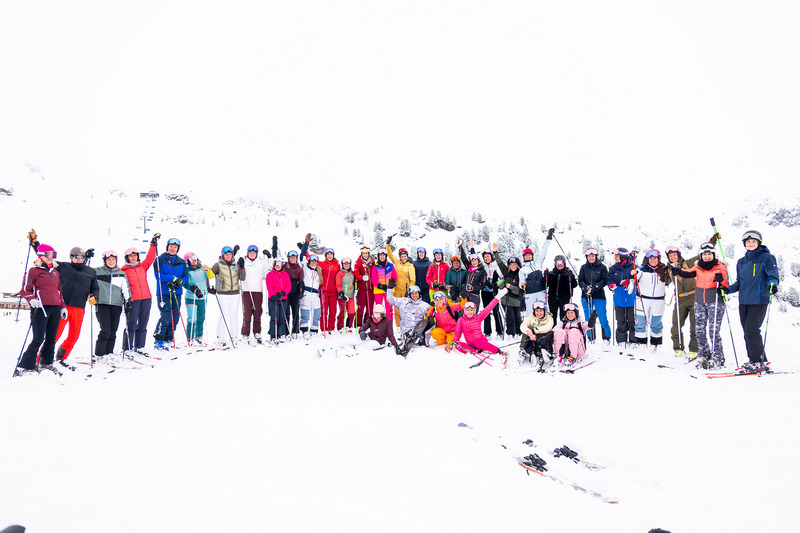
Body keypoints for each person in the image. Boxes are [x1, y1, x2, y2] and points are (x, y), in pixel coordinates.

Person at [725, 230, 780, 373]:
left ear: (759, 243)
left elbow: (772, 275)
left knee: (752, 329)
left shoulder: (767, 258)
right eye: (748, 242)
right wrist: (727, 290)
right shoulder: (741, 261)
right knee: (748, 331)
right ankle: (758, 360)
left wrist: (772, 284)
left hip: (759, 299)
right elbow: (739, 283)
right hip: (744, 300)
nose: (751, 244)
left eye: (754, 241)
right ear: (745, 244)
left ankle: (757, 361)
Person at [671, 243, 729, 369]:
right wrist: (679, 271)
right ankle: (704, 354)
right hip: (699, 301)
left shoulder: (720, 266)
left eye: (709, 254)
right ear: (701, 255)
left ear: (713, 255)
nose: (707, 256)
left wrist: (721, 281)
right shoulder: (698, 266)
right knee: (700, 330)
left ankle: (718, 357)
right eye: (704, 254)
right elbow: (689, 273)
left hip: (715, 301)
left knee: (713, 331)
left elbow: (726, 284)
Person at [15, 243, 68, 375]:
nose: (51, 257)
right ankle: (26, 365)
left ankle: (46, 363)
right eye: (48, 254)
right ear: (41, 256)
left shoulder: (55, 272)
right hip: (40, 308)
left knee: (51, 338)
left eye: (53, 254)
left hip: (55, 308)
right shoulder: (33, 271)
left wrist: (62, 307)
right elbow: (24, 290)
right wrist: (32, 299)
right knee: (38, 338)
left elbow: (59, 292)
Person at [52, 244, 98, 365]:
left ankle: (61, 358)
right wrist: (36, 244)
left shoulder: (90, 272)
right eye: (76, 256)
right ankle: (42, 359)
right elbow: (47, 258)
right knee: (55, 335)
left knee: (74, 336)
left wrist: (95, 296)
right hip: (63, 307)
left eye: (82, 256)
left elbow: (95, 288)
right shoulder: (63, 266)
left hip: (79, 308)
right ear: (71, 257)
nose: (79, 259)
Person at [121, 233, 158, 354]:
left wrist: (153, 244)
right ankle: (127, 348)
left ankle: (139, 346)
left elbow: (151, 257)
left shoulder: (142, 266)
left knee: (143, 324)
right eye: (131, 256)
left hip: (146, 299)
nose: (133, 258)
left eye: (135, 255)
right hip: (133, 300)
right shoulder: (123, 270)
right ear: (127, 258)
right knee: (131, 324)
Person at [451, 286, 509, 357]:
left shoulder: (477, 318)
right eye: (467, 310)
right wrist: (453, 343)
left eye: (471, 310)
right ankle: (476, 350)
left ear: (474, 311)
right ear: (464, 311)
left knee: (477, 342)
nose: (469, 312)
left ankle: (499, 351)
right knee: (458, 345)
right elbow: (457, 333)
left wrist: (497, 297)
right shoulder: (461, 320)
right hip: (471, 345)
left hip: (480, 341)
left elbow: (488, 308)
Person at [94, 250, 131, 359]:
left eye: (113, 259)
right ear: (105, 261)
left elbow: (126, 288)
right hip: (102, 304)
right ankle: (100, 354)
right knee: (105, 329)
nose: (111, 261)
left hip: (116, 305)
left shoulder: (121, 273)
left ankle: (109, 353)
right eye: (109, 259)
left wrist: (128, 300)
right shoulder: (98, 271)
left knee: (113, 330)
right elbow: (85, 271)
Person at [153, 238, 189, 350]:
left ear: (178, 248)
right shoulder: (160, 259)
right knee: (166, 316)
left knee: (175, 317)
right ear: (167, 247)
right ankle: (159, 339)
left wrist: (180, 283)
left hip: (176, 292)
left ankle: (169, 338)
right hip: (163, 292)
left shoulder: (182, 261)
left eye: (175, 247)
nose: (172, 249)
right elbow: (158, 276)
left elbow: (185, 277)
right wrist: (172, 278)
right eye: (171, 246)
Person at [665, 245, 699, 356]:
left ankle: (694, 350)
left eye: (674, 255)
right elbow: (664, 282)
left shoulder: (688, 263)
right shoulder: (669, 269)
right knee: (676, 325)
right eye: (670, 256)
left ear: (678, 255)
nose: (673, 257)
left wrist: (712, 242)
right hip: (680, 299)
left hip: (694, 297)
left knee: (694, 326)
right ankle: (678, 348)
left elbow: (701, 255)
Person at [631, 250, 668, 348]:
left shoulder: (664, 270)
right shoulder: (642, 269)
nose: (653, 260)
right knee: (641, 322)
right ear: (647, 260)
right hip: (642, 299)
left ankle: (655, 344)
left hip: (658, 300)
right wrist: (633, 274)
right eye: (650, 259)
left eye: (655, 258)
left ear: (658, 259)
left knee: (656, 323)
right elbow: (634, 279)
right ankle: (641, 343)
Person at [210, 245, 245, 346]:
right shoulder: (218, 265)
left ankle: (234, 337)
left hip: (235, 293)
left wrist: (242, 267)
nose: (228, 256)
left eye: (230, 254)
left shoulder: (236, 265)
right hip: (222, 293)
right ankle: (220, 337)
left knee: (233, 316)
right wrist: (209, 287)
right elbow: (208, 274)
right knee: (224, 315)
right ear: (223, 255)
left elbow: (242, 278)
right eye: (226, 254)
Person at [385, 285, 431, 356]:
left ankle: (422, 341)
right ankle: (407, 341)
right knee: (408, 336)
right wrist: (390, 288)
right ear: (409, 295)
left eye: (416, 293)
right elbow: (390, 299)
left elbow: (436, 311)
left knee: (430, 321)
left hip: (418, 331)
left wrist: (434, 306)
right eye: (412, 294)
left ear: (419, 293)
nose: (414, 295)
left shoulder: (424, 305)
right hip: (406, 331)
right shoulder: (403, 302)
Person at [578, 248, 611, 345]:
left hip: (598, 295)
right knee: (588, 317)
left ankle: (606, 338)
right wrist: (584, 287)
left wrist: (596, 287)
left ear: (596, 257)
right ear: (586, 257)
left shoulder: (602, 267)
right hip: (586, 296)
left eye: (593, 256)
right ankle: (591, 337)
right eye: (589, 256)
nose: (591, 258)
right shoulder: (583, 267)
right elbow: (580, 280)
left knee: (602, 316)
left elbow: (604, 280)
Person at [607, 248, 637, 348]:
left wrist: (629, 281)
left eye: (617, 256)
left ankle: (633, 340)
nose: (615, 258)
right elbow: (609, 278)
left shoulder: (632, 267)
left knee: (632, 321)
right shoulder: (613, 268)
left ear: (623, 256)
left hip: (630, 299)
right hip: (618, 299)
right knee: (621, 321)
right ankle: (621, 340)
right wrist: (611, 285)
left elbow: (637, 281)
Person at [240, 245, 269, 344]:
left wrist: (269, 255)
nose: (252, 254)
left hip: (258, 290)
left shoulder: (260, 263)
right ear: (248, 253)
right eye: (250, 253)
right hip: (247, 290)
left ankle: (257, 332)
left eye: (254, 253)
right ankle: (245, 332)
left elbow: (270, 265)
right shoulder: (244, 261)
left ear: (256, 254)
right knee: (247, 312)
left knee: (257, 312)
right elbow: (236, 269)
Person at [519, 228, 554, 313]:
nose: (528, 257)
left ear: (532, 256)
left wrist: (548, 238)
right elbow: (521, 282)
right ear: (524, 257)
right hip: (530, 294)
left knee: (543, 312)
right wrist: (522, 284)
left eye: (529, 255)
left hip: (541, 292)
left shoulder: (538, 263)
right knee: (530, 313)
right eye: (526, 255)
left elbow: (543, 252)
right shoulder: (522, 270)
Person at [184, 252, 214, 346]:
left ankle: (199, 336)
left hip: (202, 297)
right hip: (191, 297)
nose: (194, 261)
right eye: (192, 259)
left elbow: (211, 276)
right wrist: (191, 288)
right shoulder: (187, 270)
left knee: (201, 318)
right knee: (192, 319)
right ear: (188, 261)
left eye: (195, 258)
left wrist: (208, 269)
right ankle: (190, 338)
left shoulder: (202, 269)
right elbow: (185, 283)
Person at [475, 243, 504, 337]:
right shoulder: (482, 266)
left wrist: (496, 284)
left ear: (491, 257)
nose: (487, 258)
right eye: (485, 257)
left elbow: (503, 277)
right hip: (485, 292)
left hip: (494, 291)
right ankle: (488, 332)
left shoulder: (496, 265)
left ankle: (500, 331)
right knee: (486, 311)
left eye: (488, 256)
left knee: (496, 311)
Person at [386, 239, 416, 327]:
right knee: (397, 311)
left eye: (405, 256)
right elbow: (390, 255)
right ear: (400, 257)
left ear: (407, 257)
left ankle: (407, 327)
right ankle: (399, 328)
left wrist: (410, 291)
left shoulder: (410, 266)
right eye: (402, 256)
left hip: (406, 292)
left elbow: (412, 280)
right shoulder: (397, 263)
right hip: (397, 290)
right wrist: (388, 244)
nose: (403, 258)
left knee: (407, 310)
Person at [495, 249, 524, 337]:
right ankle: (510, 334)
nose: (513, 266)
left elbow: (520, 290)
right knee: (510, 318)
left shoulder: (521, 274)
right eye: (511, 264)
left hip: (517, 300)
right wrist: (495, 252)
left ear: (518, 265)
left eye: (515, 264)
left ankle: (519, 333)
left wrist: (510, 286)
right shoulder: (506, 272)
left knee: (518, 318)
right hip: (506, 300)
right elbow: (500, 263)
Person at [519, 301, 555, 370]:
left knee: (547, 334)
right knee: (528, 329)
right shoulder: (531, 317)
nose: (539, 313)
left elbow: (548, 327)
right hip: (533, 339)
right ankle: (522, 351)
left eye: (541, 311)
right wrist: (529, 332)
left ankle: (546, 352)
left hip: (543, 339)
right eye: (537, 311)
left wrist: (534, 330)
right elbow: (522, 325)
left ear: (544, 311)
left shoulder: (549, 318)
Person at [298, 240, 322, 337]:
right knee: (305, 312)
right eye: (312, 261)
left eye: (315, 261)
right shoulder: (305, 267)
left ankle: (314, 330)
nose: (313, 262)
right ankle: (304, 331)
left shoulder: (319, 271)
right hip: (306, 293)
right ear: (309, 261)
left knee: (316, 312)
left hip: (315, 294)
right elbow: (302, 256)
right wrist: (306, 244)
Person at [544, 254, 577, 326]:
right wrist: (545, 277)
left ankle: (563, 330)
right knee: (552, 316)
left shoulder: (567, 273)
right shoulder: (552, 273)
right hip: (552, 298)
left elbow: (574, 285)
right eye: (557, 263)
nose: (559, 265)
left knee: (563, 316)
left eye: (561, 263)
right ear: (555, 264)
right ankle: (552, 332)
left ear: (564, 263)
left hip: (564, 297)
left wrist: (572, 277)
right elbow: (545, 285)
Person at [266, 258, 292, 341]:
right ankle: (273, 335)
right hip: (273, 299)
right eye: (276, 265)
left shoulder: (286, 274)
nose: (278, 266)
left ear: (282, 266)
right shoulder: (270, 274)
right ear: (274, 265)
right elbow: (269, 287)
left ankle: (281, 334)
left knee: (282, 317)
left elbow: (289, 286)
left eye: (279, 265)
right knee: (274, 317)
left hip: (283, 298)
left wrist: (284, 293)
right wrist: (273, 295)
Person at [318, 246, 341, 333]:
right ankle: (323, 329)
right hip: (323, 291)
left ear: (333, 255)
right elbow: (311, 260)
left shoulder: (337, 265)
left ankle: (331, 329)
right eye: (328, 254)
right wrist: (305, 248)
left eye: (331, 254)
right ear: (325, 255)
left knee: (333, 311)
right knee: (323, 311)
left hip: (333, 292)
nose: (330, 256)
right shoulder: (322, 263)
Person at [371, 248, 398, 324]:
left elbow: (394, 277)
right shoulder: (375, 266)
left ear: (386, 256)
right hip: (378, 290)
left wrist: (390, 286)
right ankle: (379, 325)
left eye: (383, 255)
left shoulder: (391, 265)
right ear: (378, 256)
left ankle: (389, 324)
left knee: (389, 308)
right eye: (380, 255)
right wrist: (379, 285)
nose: (382, 257)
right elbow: (373, 279)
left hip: (389, 290)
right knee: (378, 308)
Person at [458, 242, 487, 307]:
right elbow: (463, 258)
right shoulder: (469, 268)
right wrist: (460, 247)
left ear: (478, 260)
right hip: (465, 294)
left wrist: (473, 288)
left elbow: (483, 285)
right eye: (472, 261)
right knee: (463, 314)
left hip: (475, 296)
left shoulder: (482, 271)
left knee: (473, 314)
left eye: (475, 260)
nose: (474, 262)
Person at [284, 248, 304, 337]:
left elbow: (301, 281)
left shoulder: (299, 269)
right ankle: (286, 331)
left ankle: (295, 330)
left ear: (296, 258)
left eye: (294, 257)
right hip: (286, 292)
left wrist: (301, 289)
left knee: (295, 312)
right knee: (286, 312)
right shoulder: (285, 267)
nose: (293, 259)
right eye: (291, 257)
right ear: (288, 258)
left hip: (295, 293)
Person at [354, 245, 376, 325]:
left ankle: (367, 323)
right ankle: (357, 324)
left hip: (370, 289)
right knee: (360, 307)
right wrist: (362, 277)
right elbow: (356, 275)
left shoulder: (372, 262)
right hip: (362, 289)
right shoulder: (358, 263)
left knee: (370, 308)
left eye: (366, 253)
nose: (365, 255)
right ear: (361, 254)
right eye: (363, 253)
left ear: (369, 253)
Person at [335, 257, 357, 331]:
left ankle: (349, 326)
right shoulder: (340, 273)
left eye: (348, 263)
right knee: (342, 312)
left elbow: (355, 282)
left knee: (352, 312)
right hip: (342, 296)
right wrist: (341, 294)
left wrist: (356, 289)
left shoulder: (352, 273)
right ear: (342, 264)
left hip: (351, 296)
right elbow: (338, 285)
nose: (346, 265)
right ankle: (340, 327)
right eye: (345, 263)